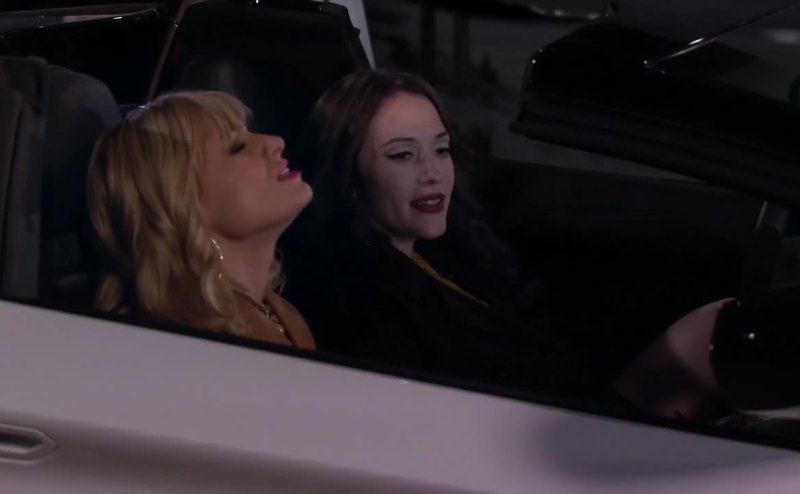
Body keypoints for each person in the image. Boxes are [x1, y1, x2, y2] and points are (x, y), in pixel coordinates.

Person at [283, 69, 730, 419]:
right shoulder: (363, 303)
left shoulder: (443, 247)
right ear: (348, 175)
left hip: (581, 411)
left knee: (719, 326)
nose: (433, 173)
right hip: (561, 443)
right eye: (403, 155)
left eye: (440, 149)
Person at [88, 90, 315, 350]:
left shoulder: (279, 312)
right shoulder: (191, 345)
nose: (276, 142)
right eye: (237, 147)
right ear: (182, 204)